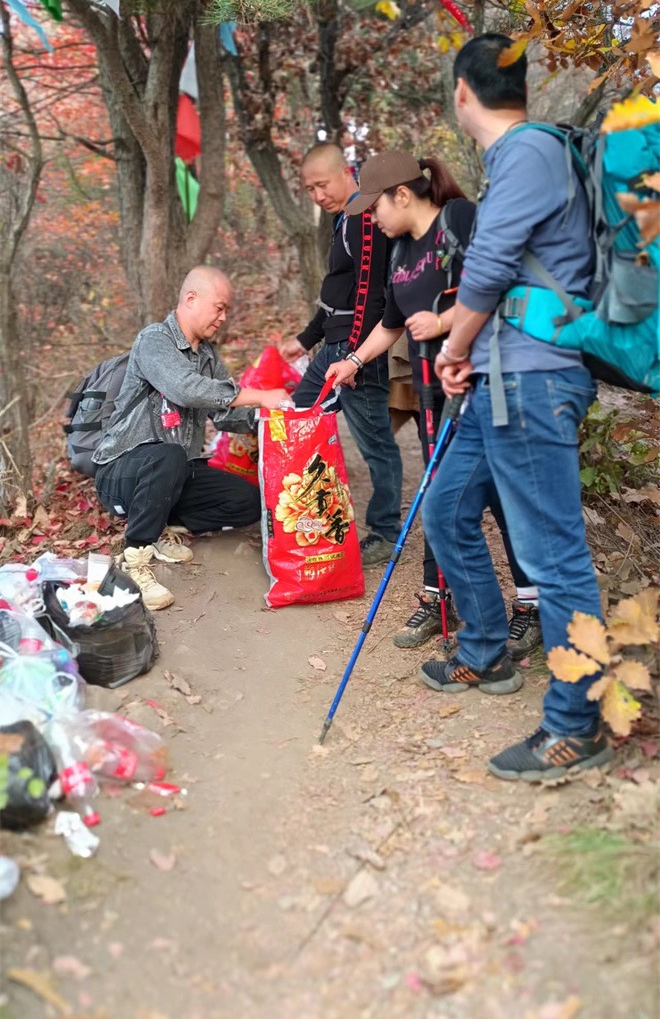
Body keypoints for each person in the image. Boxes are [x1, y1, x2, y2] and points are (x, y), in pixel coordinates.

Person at [421, 33, 612, 782]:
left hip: (531, 381)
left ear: (463, 93)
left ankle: (577, 721)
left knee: (554, 556)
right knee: (446, 510)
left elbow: (490, 267)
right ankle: (486, 649)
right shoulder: (521, 158)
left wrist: (450, 347)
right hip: (500, 378)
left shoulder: (530, 152)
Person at [327, 149, 541, 655]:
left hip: (488, 385)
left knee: (501, 496)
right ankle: (440, 597)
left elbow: (502, 283)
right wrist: (353, 362)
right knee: (439, 495)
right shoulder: (399, 252)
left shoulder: (459, 220)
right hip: (434, 396)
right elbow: (393, 322)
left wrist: (445, 323)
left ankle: (530, 608)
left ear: (402, 194)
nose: (372, 220)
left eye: (374, 208)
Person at [94, 266, 292, 611]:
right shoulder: (154, 339)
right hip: (121, 472)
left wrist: (275, 418)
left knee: (246, 501)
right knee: (167, 455)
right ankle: (135, 557)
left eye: (226, 310)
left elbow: (225, 412)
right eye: (219, 307)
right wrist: (259, 395)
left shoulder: (207, 356)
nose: (223, 317)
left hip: (174, 473)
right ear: (191, 299)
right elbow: (186, 390)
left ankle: (161, 523)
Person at [281, 142, 403, 565]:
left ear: (343, 172)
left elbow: (371, 293)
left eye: (321, 184)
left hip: (355, 349)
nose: (316, 195)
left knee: (376, 443)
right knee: (298, 416)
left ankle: (387, 532)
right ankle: (302, 511)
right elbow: (338, 293)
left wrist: (355, 357)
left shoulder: (364, 218)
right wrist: (304, 338)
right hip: (336, 343)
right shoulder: (344, 219)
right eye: (309, 189)